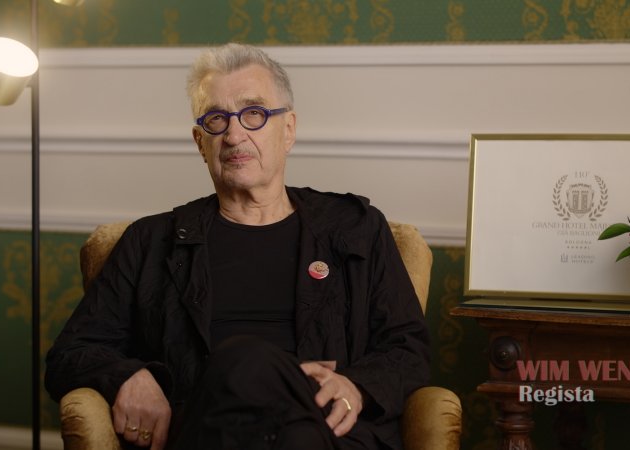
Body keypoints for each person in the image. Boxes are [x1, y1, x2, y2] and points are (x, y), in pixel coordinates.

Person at [45, 42, 430, 450]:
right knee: (244, 361)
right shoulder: (151, 242)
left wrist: (356, 387)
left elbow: (408, 348)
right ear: (200, 142)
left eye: (254, 114)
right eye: (216, 119)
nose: (233, 135)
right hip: (206, 430)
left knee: (254, 370)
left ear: (288, 130)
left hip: (331, 434)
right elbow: (69, 354)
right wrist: (127, 376)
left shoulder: (356, 228)